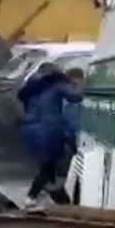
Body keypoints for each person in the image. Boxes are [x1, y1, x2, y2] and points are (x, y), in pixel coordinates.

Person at [17, 63, 83, 209]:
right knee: (49, 166)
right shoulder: (56, 85)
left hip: (31, 131)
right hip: (48, 131)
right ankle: (32, 197)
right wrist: (83, 85)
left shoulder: (33, 88)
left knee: (48, 166)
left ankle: (55, 198)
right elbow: (76, 96)